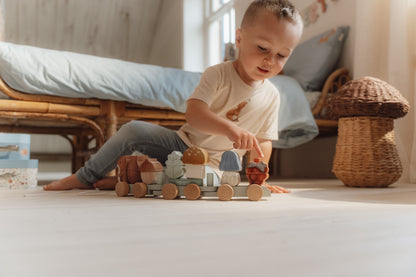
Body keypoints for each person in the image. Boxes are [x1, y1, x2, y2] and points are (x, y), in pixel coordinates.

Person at [43, 0, 303, 192]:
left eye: (282, 55)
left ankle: (131, 182)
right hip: (181, 146)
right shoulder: (218, 74)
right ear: (238, 38)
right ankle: (84, 177)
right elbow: (194, 113)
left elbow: (263, 142)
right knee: (133, 130)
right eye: (262, 48)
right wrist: (231, 130)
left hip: (215, 166)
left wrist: (259, 179)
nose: (270, 60)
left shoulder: (272, 96)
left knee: (204, 185)